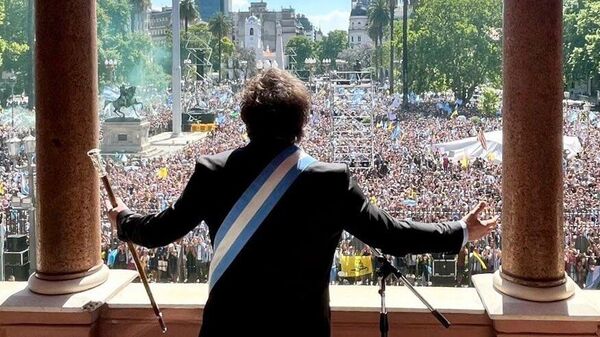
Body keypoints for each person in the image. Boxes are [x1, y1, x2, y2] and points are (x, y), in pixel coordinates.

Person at [106, 68, 497, 337]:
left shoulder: (213, 171)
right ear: (301, 122)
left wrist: (124, 219)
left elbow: (160, 231)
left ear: (246, 119)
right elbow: (391, 235)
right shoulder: (329, 181)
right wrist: (461, 231)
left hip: (229, 328)